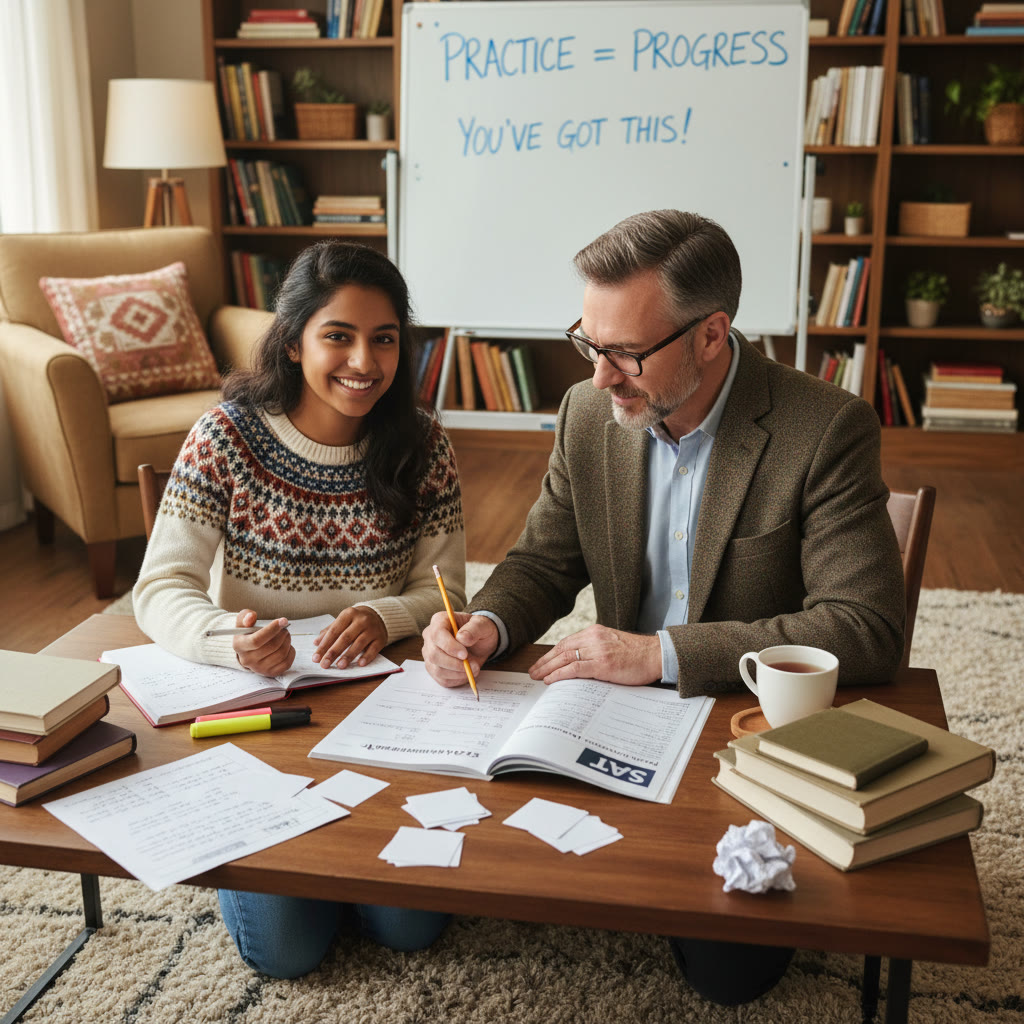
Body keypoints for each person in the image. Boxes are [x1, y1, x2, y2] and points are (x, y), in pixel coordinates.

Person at [421, 210, 905, 1005]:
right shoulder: (587, 415)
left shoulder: (824, 430)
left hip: (740, 736)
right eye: (590, 342)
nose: (602, 376)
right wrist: (487, 623)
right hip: (609, 721)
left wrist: (660, 654)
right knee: (461, 865)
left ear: (712, 335)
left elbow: (867, 628)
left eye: (627, 354)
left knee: (729, 976)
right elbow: (545, 559)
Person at [134, 239, 466, 977]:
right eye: (338, 337)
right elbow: (159, 589)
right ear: (292, 343)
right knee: (285, 952)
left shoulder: (424, 444)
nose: (364, 362)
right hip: (263, 726)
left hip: (385, 726)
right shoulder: (224, 438)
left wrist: (388, 616)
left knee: (410, 930)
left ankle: (333, 863)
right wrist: (228, 639)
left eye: (384, 339)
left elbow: (445, 592)